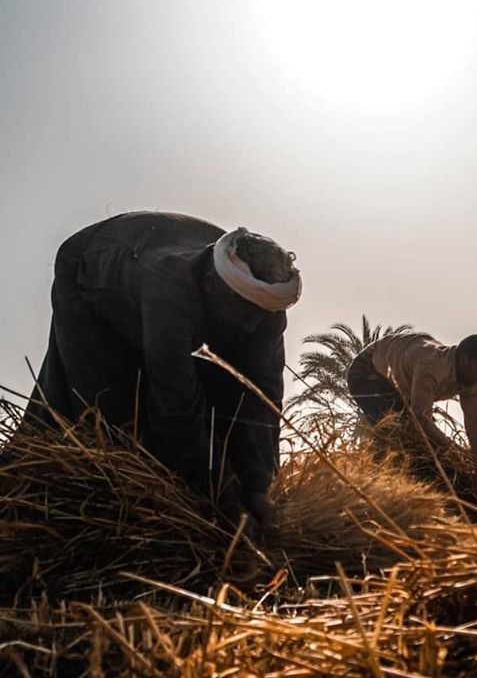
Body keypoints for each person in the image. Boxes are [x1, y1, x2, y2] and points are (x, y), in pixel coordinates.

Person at [18, 212, 301, 533]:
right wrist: (224, 501)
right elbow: (176, 403)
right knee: (110, 417)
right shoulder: (170, 288)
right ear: (211, 284)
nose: (250, 325)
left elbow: (260, 398)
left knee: (221, 392)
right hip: (94, 268)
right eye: (244, 312)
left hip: (158, 257)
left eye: (259, 317)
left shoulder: (266, 311)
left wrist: (257, 487)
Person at [346, 332, 477, 461]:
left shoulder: (473, 383)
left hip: (403, 382)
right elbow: (421, 419)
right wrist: (458, 454)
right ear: (465, 360)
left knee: (417, 440)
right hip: (368, 370)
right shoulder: (432, 367)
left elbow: (476, 425)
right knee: (396, 435)